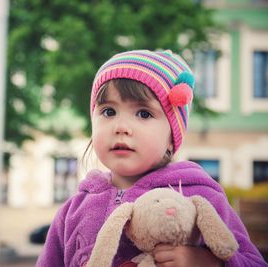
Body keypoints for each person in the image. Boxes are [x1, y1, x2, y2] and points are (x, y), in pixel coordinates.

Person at [36, 50, 268, 266]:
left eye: (144, 113)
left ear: (171, 136)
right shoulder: (73, 209)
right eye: (108, 111)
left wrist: (209, 261)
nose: (121, 127)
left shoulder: (199, 196)